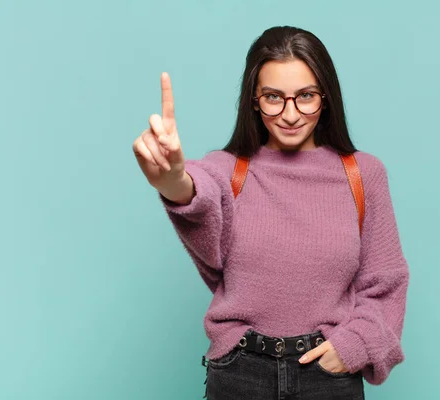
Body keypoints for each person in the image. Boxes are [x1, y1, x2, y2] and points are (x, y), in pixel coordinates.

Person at [132, 25, 410, 400]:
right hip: (241, 374)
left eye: (305, 96)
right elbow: (199, 189)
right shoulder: (229, 169)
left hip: (326, 378)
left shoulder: (363, 175)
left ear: (325, 98)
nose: (290, 114)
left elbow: (385, 282)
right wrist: (172, 181)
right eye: (274, 97)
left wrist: (353, 347)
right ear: (254, 100)